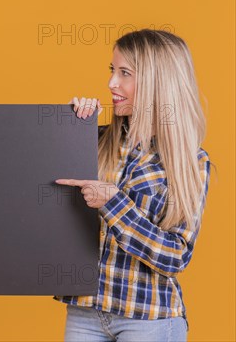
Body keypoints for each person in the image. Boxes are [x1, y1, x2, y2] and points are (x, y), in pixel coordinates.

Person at [55, 29, 211, 341]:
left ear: (158, 83)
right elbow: (40, 193)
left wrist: (113, 203)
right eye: (112, 71)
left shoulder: (188, 161)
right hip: (84, 313)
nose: (112, 83)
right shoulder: (94, 141)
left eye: (125, 73)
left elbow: (174, 256)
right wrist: (69, 127)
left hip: (149, 318)